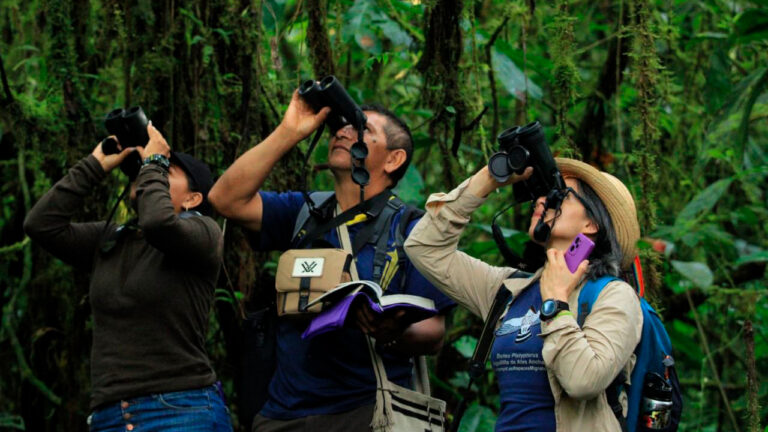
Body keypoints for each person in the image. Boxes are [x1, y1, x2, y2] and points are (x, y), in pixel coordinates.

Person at [208, 90, 454, 431]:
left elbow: (433, 331)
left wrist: (389, 329)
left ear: (393, 159)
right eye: (341, 126)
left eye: (362, 130)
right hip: (282, 416)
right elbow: (224, 199)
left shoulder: (412, 229)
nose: (343, 132)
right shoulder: (304, 211)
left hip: (365, 413)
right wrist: (290, 131)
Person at [403, 160, 644, 431]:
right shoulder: (508, 289)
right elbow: (424, 247)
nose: (542, 200)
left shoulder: (613, 295)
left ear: (591, 224)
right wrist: (489, 178)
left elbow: (583, 381)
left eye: (559, 195)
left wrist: (555, 303)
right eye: (543, 193)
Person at [24, 125, 232, 432]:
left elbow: (158, 223)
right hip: (110, 416)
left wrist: (154, 163)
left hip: (181, 410)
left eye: (166, 170)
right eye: (147, 169)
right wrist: (95, 165)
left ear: (192, 198)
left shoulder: (204, 234)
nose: (150, 172)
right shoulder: (113, 240)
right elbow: (41, 225)